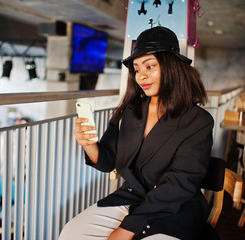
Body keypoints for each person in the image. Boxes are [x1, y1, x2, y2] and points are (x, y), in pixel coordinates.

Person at [59, 26, 214, 240]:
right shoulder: (130, 111)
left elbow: (180, 183)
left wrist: (127, 229)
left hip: (174, 207)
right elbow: (106, 162)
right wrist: (88, 144)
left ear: (172, 67)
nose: (142, 76)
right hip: (131, 197)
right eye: (137, 69)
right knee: (70, 235)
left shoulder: (198, 121)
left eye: (150, 66)